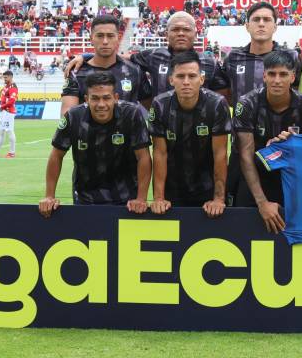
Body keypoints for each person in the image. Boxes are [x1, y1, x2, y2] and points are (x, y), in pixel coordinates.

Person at [39, 72, 152, 216]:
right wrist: (49, 196)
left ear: (116, 98)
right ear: (86, 99)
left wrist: (141, 199)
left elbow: (144, 157)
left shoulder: (131, 114)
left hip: (127, 201)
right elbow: (56, 155)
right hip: (85, 199)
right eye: (95, 98)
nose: (101, 104)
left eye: (106, 98)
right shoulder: (73, 117)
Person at [232, 50, 302, 233]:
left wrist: (291, 147)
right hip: (253, 178)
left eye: (283, 74)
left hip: (289, 179)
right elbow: (245, 157)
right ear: (264, 76)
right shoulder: (247, 104)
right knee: (244, 235)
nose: (277, 80)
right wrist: (262, 202)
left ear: (293, 77)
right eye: (272, 74)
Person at [148, 51, 231, 217]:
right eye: (180, 76)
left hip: (207, 188)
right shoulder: (160, 104)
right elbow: (160, 153)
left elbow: (220, 153)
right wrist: (158, 197)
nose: (186, 82)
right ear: (171, 80)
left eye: (192, 76)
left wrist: (218, 198)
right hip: (173, 188)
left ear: (201, 79)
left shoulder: (216, 104)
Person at [66, 12, 220, 98]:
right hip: (163, 136)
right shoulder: (153, 56)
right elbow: (120, 56)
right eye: (175, 30)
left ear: (196, 33)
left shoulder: (209, 62)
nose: (180, 33)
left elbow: (223, 97)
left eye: (186, 30)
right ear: (166, 34)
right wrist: (85, 56)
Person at [209, 1, 301, 106]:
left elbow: (299, 93)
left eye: (267, 20)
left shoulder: (291, 56)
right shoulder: (233, 58)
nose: (261, 24)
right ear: (247, 26)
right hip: (242, 122)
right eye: (256, 19)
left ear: (275, 27)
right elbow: (226, 96)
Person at [60, 15, 151, 116]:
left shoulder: (135, 71)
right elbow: (67, 115)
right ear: (91, 39)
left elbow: (153, 110)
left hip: (127, 132)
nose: (105, 41)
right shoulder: (76, 73)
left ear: (118, 38)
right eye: (100, 36)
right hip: (89, 132)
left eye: (110, 36)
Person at [0, 71, 18, 158]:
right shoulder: (6, 86)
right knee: (1, 132)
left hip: (9, 112)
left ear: (11, 77)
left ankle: (12, 152)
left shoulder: (13, 87)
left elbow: (12, 101)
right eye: (4, 77)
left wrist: (3, 106)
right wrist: (2, 107)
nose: (4, 79)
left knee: (9, 131)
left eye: (6, 77)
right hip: (3, 112)